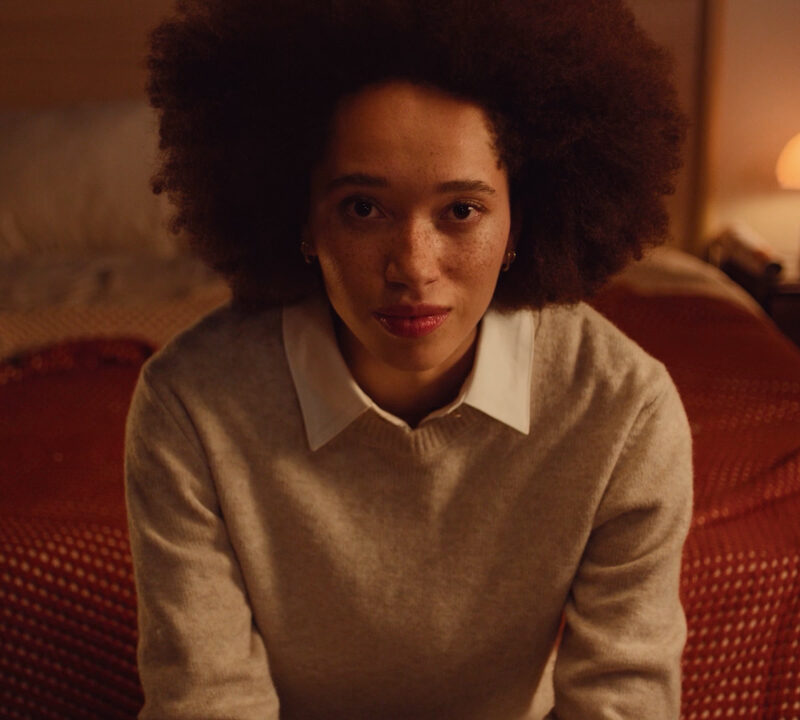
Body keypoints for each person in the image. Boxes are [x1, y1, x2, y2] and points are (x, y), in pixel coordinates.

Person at [124, 0, 693, 718]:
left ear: (521, 222)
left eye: (461, 211)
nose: (414, 268)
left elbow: (622, 702)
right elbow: (208, 703)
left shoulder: (623, 411)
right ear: (302, 220)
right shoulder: (190, 406)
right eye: (363, 209)